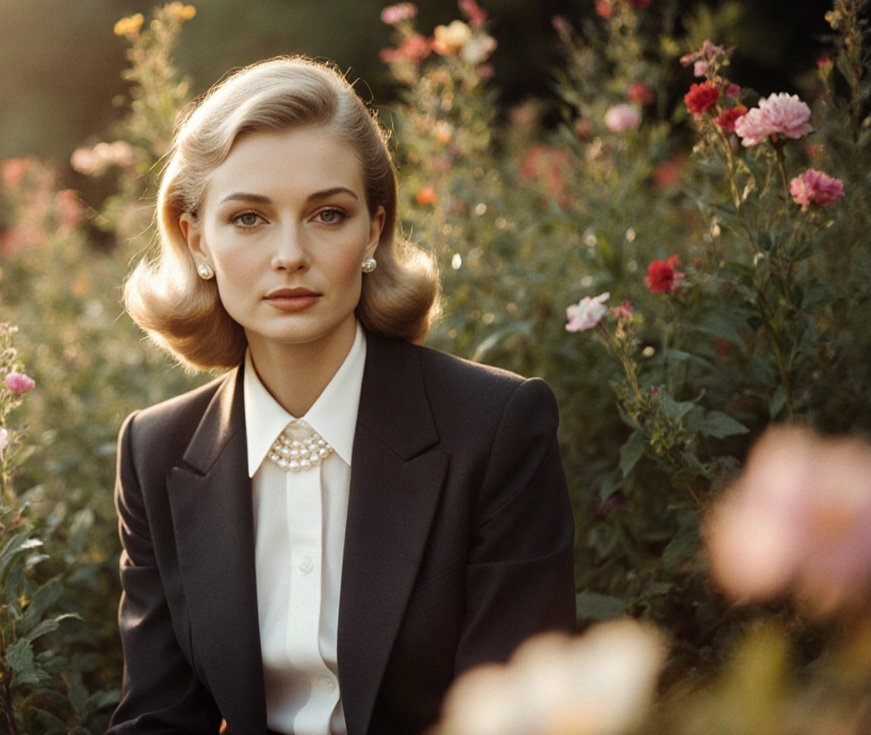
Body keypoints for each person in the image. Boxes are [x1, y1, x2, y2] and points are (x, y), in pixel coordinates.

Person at [111, 56, 575, 735]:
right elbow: (159, 718)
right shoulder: (156, 452)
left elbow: (517, 719)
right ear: (196, 239)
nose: (290, 254)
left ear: (374, 230)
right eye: (248, 218)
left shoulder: (497, 428)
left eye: (328, 214)